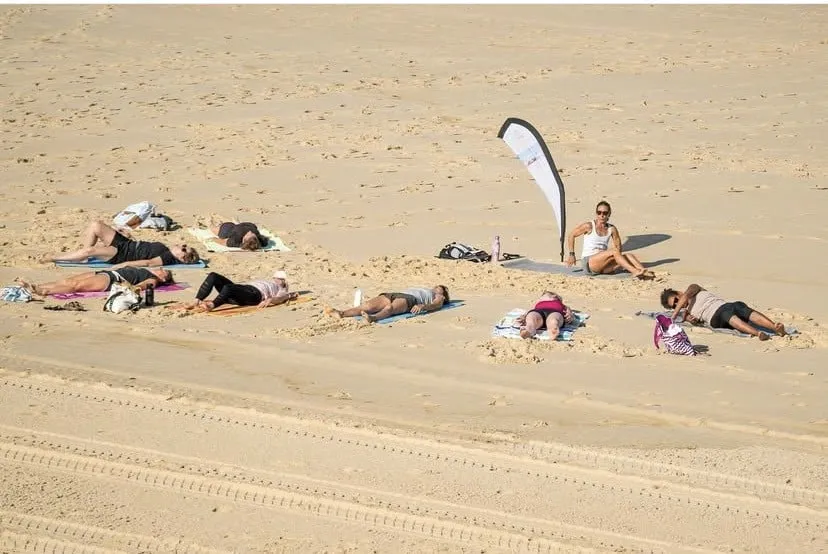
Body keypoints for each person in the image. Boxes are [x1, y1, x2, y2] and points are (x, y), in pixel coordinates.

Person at [40, 220, 200, 268]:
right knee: (96, 225)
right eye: (184, 245)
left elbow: (149, 263)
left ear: (183, 258)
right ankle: (82, 257)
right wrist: (126, 236)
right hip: (126, 244)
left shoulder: (167, 257)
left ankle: (55, 257)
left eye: (184, 249)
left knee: (91, 250)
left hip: (122, 254)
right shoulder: (165, 248)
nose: (182, 245)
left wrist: (124, 264)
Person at [660, 284, 787, 341]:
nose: (677, 304)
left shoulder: (694, 289)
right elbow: (695, 322)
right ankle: (758, 333)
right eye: (674, 305)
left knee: (740, 306)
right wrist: (692, 320)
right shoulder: (685, 312)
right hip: (715, 317)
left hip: (726, 305)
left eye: (676, 300)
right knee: (727, 315)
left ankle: (775, 327)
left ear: (679, 293)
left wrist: (674, 314)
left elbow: (686, 295)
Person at [564, 201, 654, 280]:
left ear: (609, 214)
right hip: (589, 263)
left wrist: (619, 260)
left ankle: (644, 272)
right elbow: (571, 235)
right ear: (596, 213)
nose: (601, 215)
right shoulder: (589, 226)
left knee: (628, 255)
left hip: (603, 265)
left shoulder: (612, 229)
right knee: (614, 251)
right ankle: (634, 271)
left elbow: (618, 246)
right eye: (599, 212)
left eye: (605, 213)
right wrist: (572, 254)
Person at [177, 270, 298, 312]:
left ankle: (212, 305)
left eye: (282, 279)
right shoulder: (269, 281)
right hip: (242, 291)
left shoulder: (282, 289)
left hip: (254, 296)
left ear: (285, 282)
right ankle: (196, 301)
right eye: (277, 277)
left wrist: (271, 299)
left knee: (229, 288)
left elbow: (281, 298)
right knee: (213, 276)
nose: (278, 279)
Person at [324, 285, 449, 323]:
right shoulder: (427, 289)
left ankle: (373, 318)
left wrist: (423, 306)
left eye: (440, 287)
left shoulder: (439, 296)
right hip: (396, 293)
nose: (437, 287)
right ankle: (342, 313)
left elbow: (437, 305)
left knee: (390, 308)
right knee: (367, 306)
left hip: (412, 299)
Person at [16, 267, 173, 297]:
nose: (160, 269)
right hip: (108, 272)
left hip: (113, 279)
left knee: (76, 286)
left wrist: (130, 288)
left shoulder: (154, 279)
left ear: (164, 278)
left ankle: (44, 291)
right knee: (68, 280)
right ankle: (36, 286)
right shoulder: (146, 270)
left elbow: (142, 286)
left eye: (164, 271)